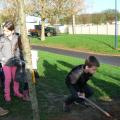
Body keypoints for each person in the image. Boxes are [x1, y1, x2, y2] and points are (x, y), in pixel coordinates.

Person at [0, 21, 23, 102]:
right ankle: (7, 94)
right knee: (8, 79)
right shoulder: (1, 38)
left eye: (6, 31)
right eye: (4, 30)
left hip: (15, 62)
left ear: (12, 31)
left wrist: (19, 59)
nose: (4, 32)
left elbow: (19, 49)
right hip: (5, 63)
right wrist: (2, 58)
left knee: (16, 78)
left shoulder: (17, 38)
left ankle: (16, 92)